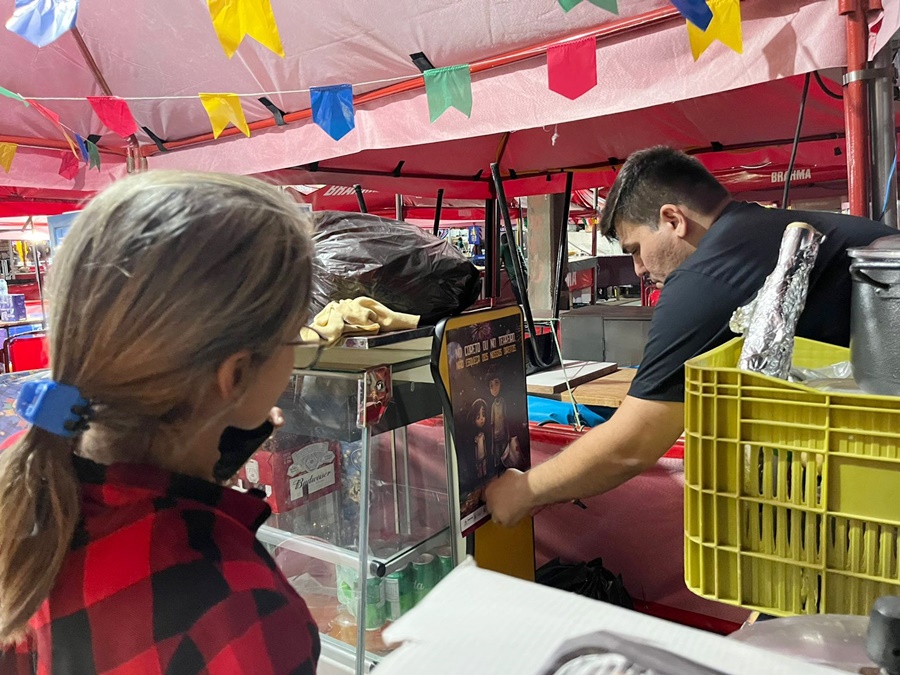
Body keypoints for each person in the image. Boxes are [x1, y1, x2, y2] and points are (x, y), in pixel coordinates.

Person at [0, 172, 322, 673]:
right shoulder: (241, 606)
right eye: (297, 334)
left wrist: (210, 464)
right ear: (235, 375)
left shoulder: (27, 476)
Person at [485, 146, 896, 527]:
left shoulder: (709, 273)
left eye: (635, 248)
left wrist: (525, 491)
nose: (640, 269)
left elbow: (634, 442)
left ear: (673, 220)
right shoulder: (765, 233)